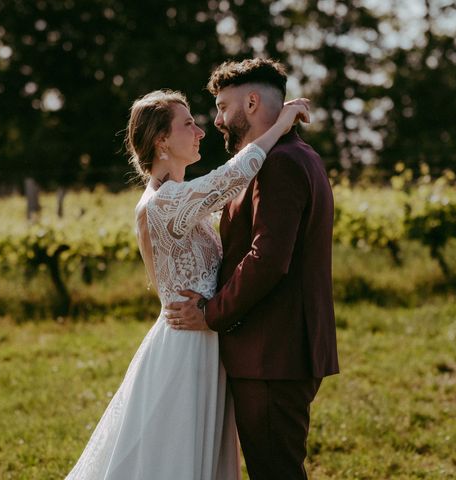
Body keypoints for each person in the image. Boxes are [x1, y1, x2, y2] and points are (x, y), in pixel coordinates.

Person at [65, 89, 310, 479]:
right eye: (188, 124)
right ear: (162, 140)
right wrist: (280, 125)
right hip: (185, 348)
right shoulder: (163, 203)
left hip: (205, 340)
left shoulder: (177, 198)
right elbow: (231, 177)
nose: (200, 131)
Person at [165, 58, 339, 479]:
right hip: (278, 351)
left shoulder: (280, 164)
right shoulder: (295, 155)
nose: (219, 120)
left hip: (272, 353)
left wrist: (210, 314)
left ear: (253, 102)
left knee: (275, 472)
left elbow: (266, 260)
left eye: (224, 107)